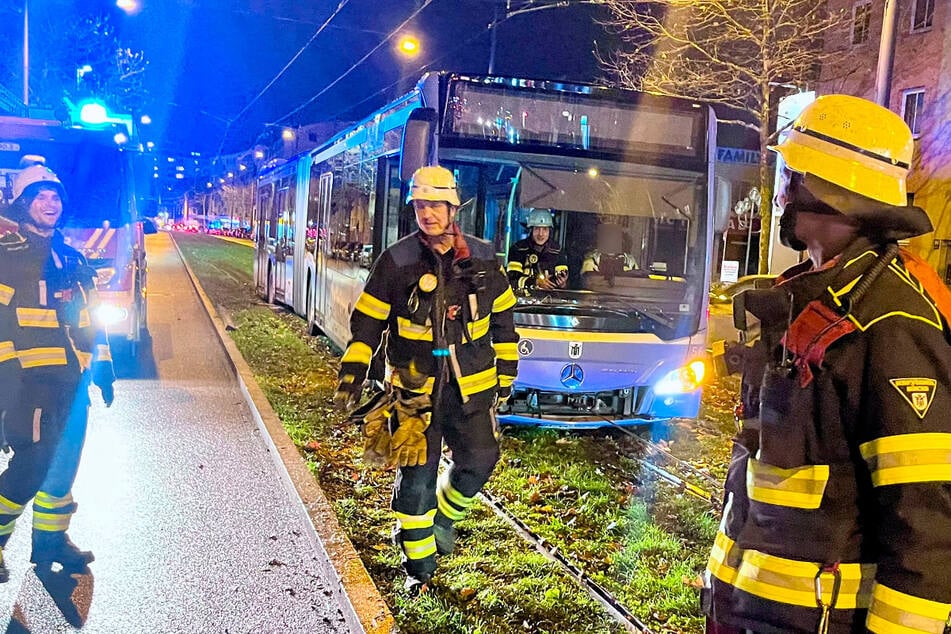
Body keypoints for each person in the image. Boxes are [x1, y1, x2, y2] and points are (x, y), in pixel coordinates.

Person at [702, 95, 951, 633]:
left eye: (791, 176)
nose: (782, 192)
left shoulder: (890, 323)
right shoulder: (818, 302)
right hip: (756, 610)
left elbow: (924, 521)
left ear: (825, 191)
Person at [333, 165, 519, 594]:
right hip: (413, 394)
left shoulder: (485, 259)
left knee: (480, 460)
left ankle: (444, 520)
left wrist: (506, 376)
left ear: (453, 207)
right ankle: (419, 570)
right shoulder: (395, 261)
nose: (427, 213)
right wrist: (352, 373)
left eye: (435, 205)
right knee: (416, 485)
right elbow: (367, 326)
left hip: (471, 390)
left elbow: (505, 324)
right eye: (419, 205)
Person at [0, 163, 115, 582]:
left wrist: (102, 366)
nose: (51, 203)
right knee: (31, 466)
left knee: (63, 464)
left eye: (56, 197)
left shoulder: (71, 257)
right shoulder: (7, 256)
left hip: (71, 381)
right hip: (27, 384)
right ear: (24, 204)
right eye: (41, 197)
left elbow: (89, 316)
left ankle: (49, 542)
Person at [506, 209, 568, 291]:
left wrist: (562, 283)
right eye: (537, 229)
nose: (541, 234)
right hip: (523, 300)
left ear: (550, 231)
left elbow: (564, 279)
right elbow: (512, 279)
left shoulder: (558, 251)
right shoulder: (518, 249)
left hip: (550, 301)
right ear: (531, 230)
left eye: (545, 229)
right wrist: (535, 282)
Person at [580, 221, 638, 286]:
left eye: (614, 236)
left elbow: (636, 281)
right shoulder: (591, 259)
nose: (611, 239)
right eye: (607, 235)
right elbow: (587, 282)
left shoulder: (629, 260)